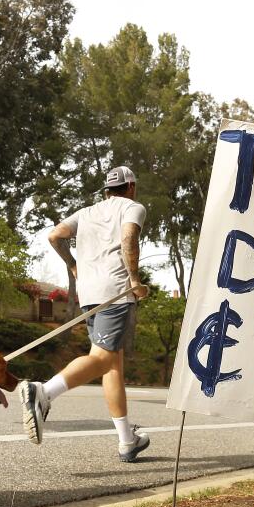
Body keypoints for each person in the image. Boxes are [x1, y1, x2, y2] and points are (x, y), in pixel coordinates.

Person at [16, 166, 151, 462]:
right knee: (103, 359)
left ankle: (127, 440)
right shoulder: (133, 207)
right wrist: (135, 280)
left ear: (106, 190)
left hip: (88, 293)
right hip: (114, 292)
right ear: (130, 187)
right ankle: (43, 392)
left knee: (111, 365)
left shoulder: (86, 212)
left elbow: (55, 236)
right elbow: (129, 239)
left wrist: (73, 265)